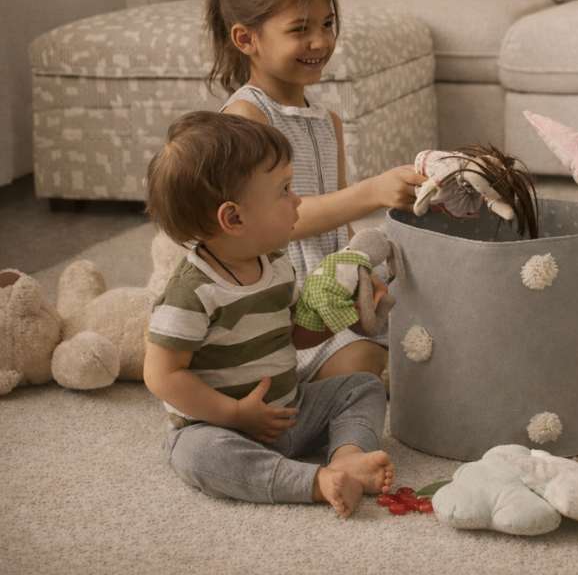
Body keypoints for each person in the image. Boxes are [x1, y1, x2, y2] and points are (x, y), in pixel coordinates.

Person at [143, 111, 394, 516]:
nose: (297, 200)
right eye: (284, 190)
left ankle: (347, 456)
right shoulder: (191, 292)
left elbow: (294, 334)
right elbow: (161, 374)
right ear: (234, 218)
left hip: (287, 408)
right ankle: (311, 482)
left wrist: (340, 315)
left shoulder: (275, 264)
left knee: (361, 386)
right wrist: (235, 414)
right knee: (196, 455)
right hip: (220, 426)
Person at [204, 0, 427, 384]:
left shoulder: (329, 123)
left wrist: (360, 271)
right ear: (246, 39)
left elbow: (339, 230)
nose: (321, 41)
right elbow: (273, 222)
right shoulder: (246, 119)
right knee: (364, 366)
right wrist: (371, 192)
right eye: (299, 30)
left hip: (331, 282)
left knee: (431, 316)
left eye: (327, 25)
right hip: (284, 301)